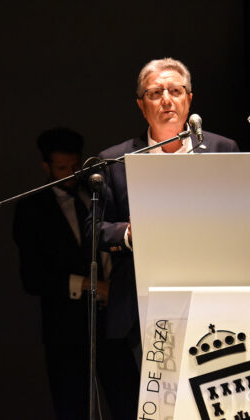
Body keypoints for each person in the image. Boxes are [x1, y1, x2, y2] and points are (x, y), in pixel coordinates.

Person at [85, 57, 240, 416]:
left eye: (175, 91)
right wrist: (130, 233)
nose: (167, 100)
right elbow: (93, 230)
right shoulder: (115, 160)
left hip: (215, 301)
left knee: (214, 407)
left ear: (189, 99)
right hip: (145, 309)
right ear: (142, 105)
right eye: (155, 93)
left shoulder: (222, 150)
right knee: (164, 411)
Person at [12, 128, 110, 420]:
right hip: (65, 328)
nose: (70, 174)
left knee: (126, 397)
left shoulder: (96, 195)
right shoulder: (32, 209)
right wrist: (92, 285)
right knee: (72, 405)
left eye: (75, 166)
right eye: (61, 168)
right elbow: (33, 278)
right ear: (47, 167)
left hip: (111, 321)